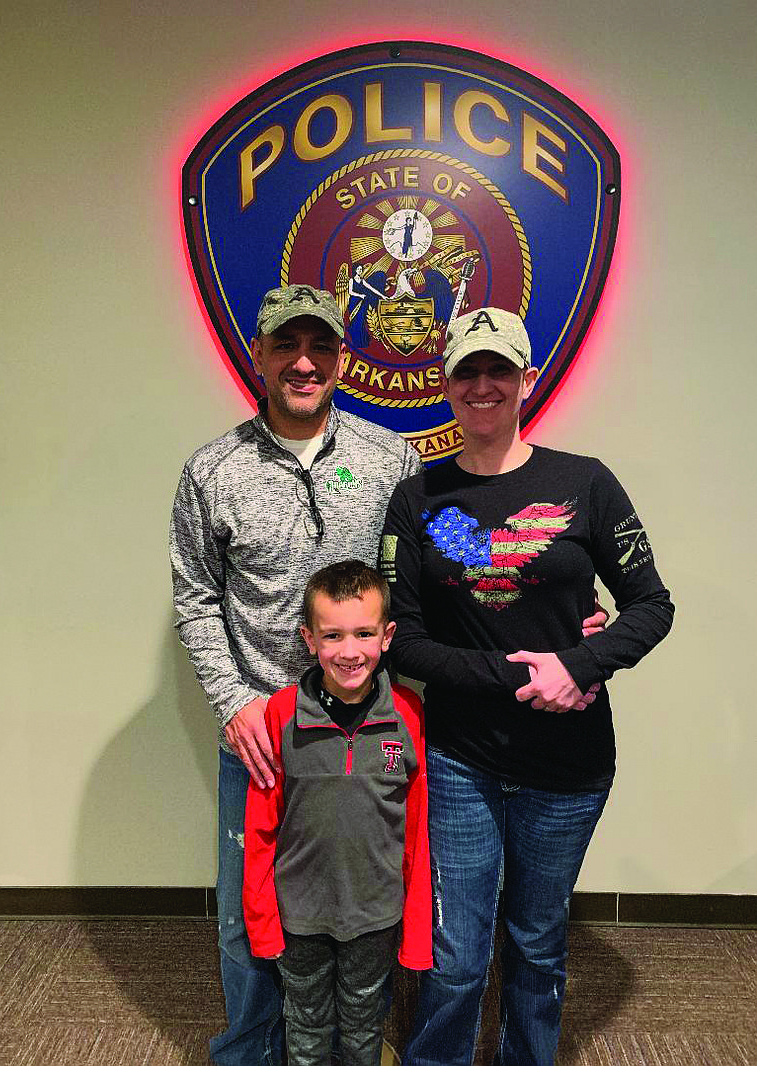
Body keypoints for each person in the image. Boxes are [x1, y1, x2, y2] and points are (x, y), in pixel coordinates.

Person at [379, 307, 675, 1066]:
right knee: (457, 955)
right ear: (445, 385)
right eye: (468, 372)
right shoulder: (422, 500)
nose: (483, 386)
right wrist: (526, 672)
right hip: (459, 760)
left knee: (538, 947)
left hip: (569, 766)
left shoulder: (585, 483)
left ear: (527, 379)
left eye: (498, 370)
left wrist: (580, 664)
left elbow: (652, 605)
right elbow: (404, 640)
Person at [169, 284, 421, 1066]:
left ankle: (358, 1046)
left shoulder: (391, 458)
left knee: (373, 905)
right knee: (251, 916)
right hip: (263, 738)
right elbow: (195, 596)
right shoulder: (212, 470)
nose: (303, 363)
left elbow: (437, 565)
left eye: (320, 347)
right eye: (286, 346)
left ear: (343, 358)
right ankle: (251, 1050)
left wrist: (555, 595)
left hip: (367, 732)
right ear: (260, 355)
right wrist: (236, 703)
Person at [243, 560, 432, 1066]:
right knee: (304, 1023)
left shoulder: (409, 714)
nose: (349, 651)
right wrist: (262, 922)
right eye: (333, 636)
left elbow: (416, 834)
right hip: (300, 913)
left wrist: (415, 930)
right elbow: (260, 830)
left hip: (375, 913)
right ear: (309, 639)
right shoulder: (279, 715)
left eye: (364, 633)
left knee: (364, 1020)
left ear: (387, 636)